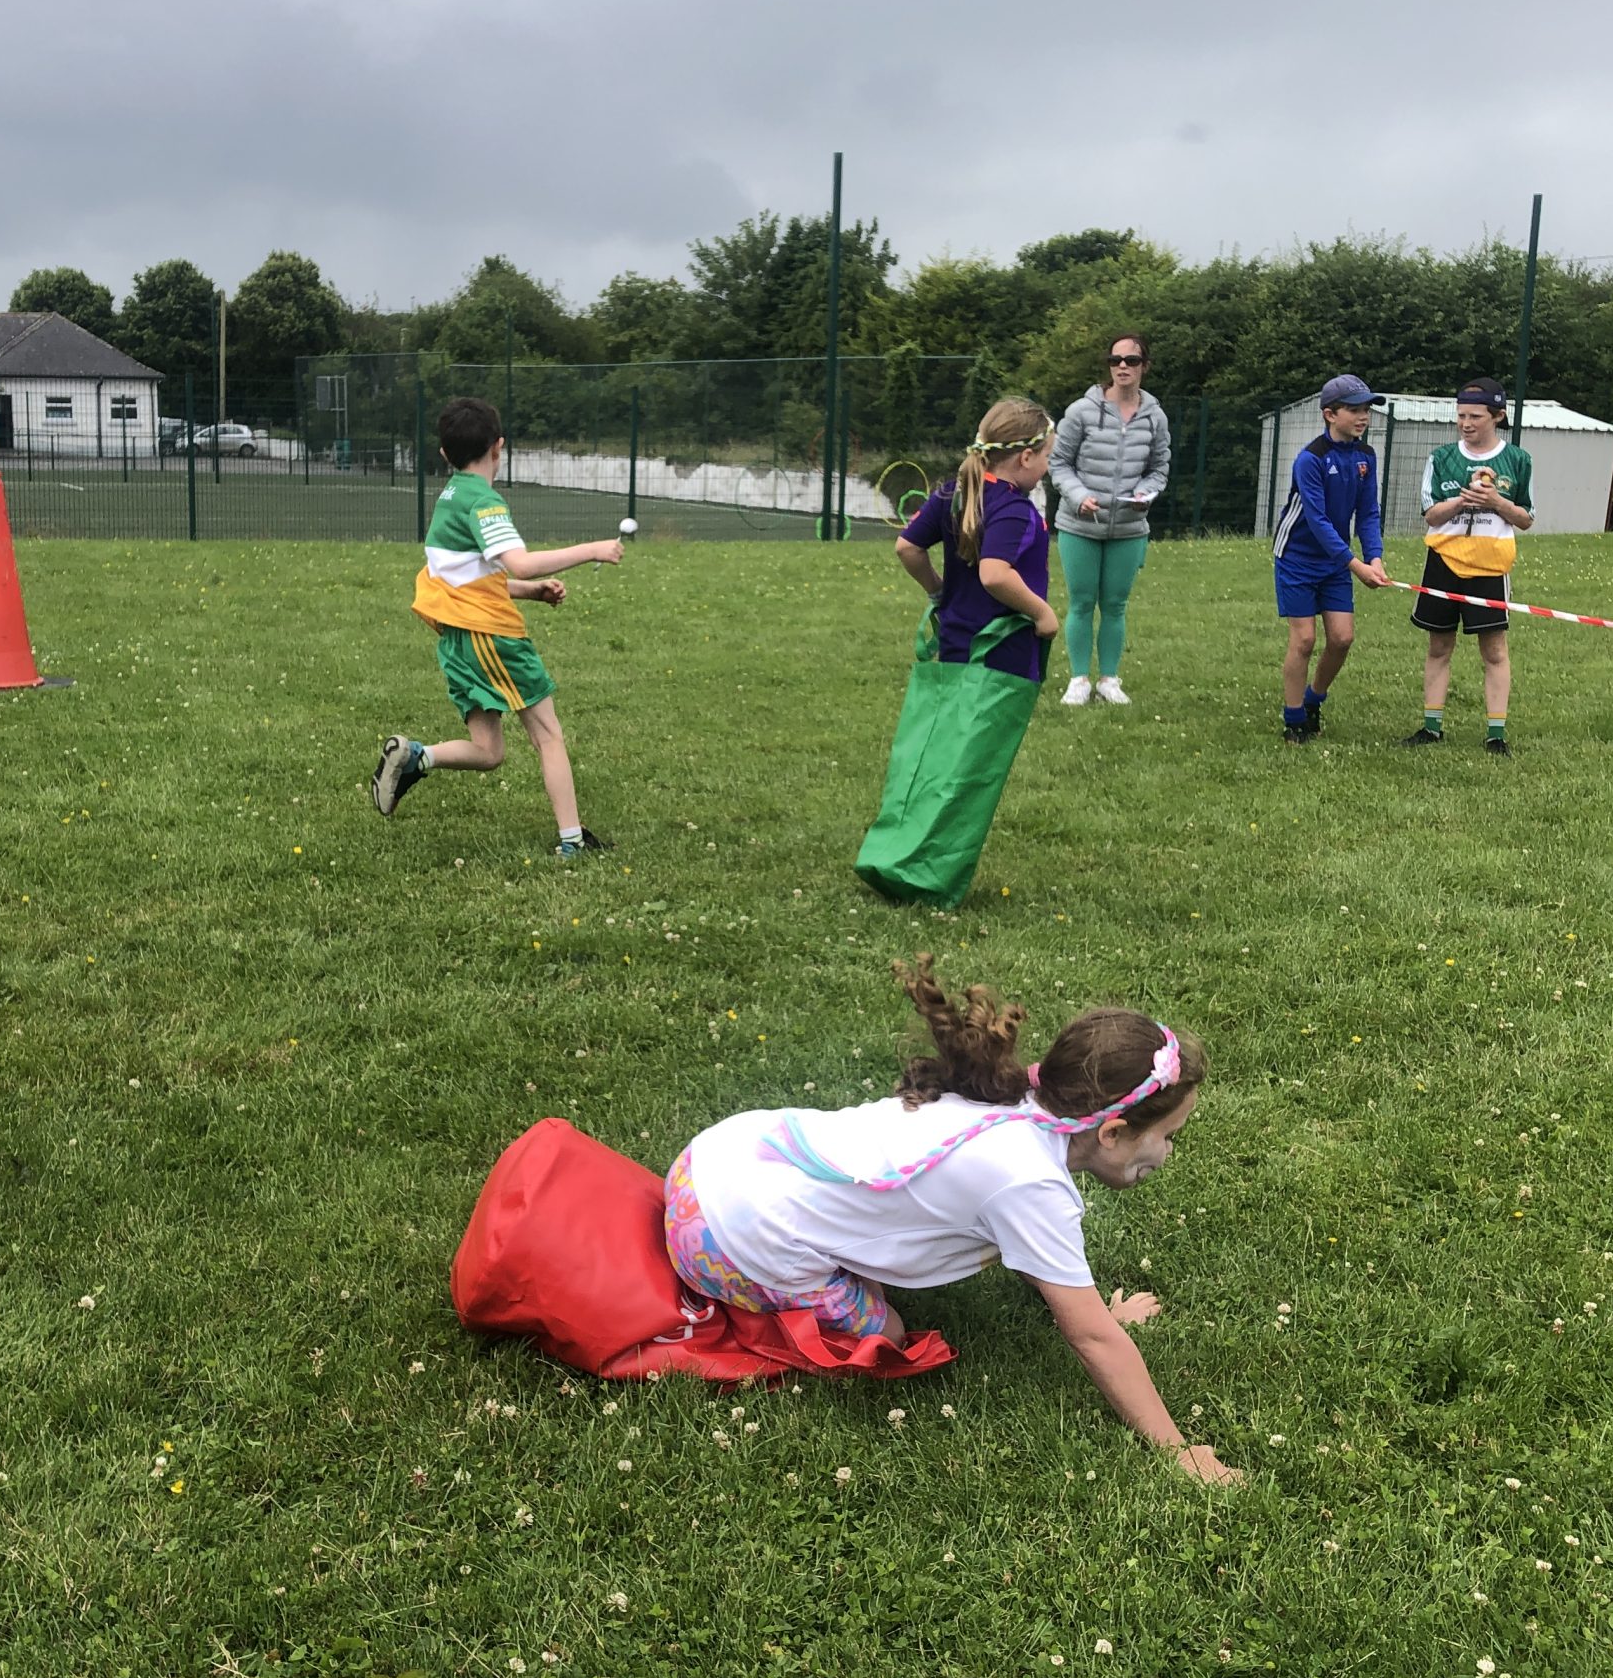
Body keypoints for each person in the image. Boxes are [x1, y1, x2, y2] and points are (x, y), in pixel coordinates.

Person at [664, 956, 1238, 1484]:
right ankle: (748, 1316)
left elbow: (1042, 1262)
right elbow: (1090, 1335)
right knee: (884, 1337)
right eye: (1168, 1136)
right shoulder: (1031, 1184)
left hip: (716, 1158)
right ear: (1112, 1133)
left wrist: (1094, 1312)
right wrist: (1177, 1451)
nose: (1168, 1151)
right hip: (723, 1236)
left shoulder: (1010, 1099)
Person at [369, 396, 625, 857]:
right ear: (498, 447)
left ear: (444, 454)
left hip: (458, 639)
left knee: (489, 751)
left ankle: (416, 758)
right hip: (491, 637)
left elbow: (470, 578)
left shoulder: (449, 497)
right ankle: (572, 842)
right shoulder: (483, 501)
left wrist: (531, 592)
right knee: (548, 735)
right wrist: (594, 549)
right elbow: (519, 562)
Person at [853, 398, 1059, 906]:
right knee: (969, 775)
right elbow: (995, 573)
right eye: (1048, 457)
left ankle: (894, 855)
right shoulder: (1012, 507)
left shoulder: (953, 492)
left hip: (952, 651)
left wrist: (937, 591)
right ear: (1026, 457)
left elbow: (907, 547)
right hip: (1002, 658)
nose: (1048, 467)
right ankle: (928, 876)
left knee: (932, 762)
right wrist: (1042, 614)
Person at [1403, 378, 1534, 756]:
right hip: (1443, 562)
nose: (1466, 423)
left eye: (1475, 416)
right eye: (1461, 415)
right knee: (1439, 645)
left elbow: (1526, 518)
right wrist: (1461, 502)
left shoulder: (1518, 460)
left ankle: (1496, 735)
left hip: (1490, 566)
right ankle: (1431, 728)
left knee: (1494, 650)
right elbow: (1431, 514)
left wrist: (1497, 502)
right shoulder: (1441, 458)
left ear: (1497, 416)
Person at [1270, 372, 1393, 743]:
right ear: (1329, 414)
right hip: (1297, 557)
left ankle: (1313, 700)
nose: (1363, 416)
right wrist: (1355, 565)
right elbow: (1318, 521)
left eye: (1366, 409)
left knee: (1341, 639)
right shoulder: (1311, 459)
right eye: (1354, 410)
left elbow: (1368, 513)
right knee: (1304, 640)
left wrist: (1375, 558)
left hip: (1334, 560)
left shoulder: (1366, 456)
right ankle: (1294, 720)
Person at [1048, 332, 1169, 706]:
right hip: (1080, 525)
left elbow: (1159, 469)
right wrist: (1079, 496)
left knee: (1115, 605)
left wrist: (1145, 493)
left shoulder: (1155, 417)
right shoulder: (1081, 411)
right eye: (1115, 360)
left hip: (1129, 526)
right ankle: (1079, 680)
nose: (1122, 366)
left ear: (1145, 366)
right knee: (1082, 602)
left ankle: (1109, 680)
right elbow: (1058, 463)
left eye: (1131, 360)